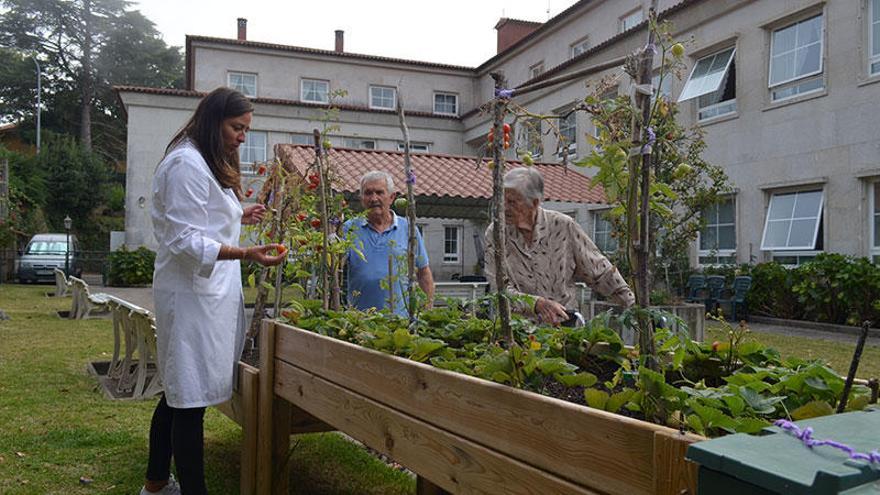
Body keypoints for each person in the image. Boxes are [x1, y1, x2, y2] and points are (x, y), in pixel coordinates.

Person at [143, 87, 286, 495]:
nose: (243, 136)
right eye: (237, 128)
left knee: (179, 393)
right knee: (188, 399)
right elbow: (185, 240)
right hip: (190, 297)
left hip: (205, 296)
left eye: (246, 129)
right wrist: (246, 253)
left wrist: (238, 211)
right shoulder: (186, 164)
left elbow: (201, 215)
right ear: (213, 121)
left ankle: (155, 485)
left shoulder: (203, 159)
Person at [485, 167, 634, 326]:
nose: (504, 207)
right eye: (502, 200)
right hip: (518, 329)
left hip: (564, 325)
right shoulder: (496, 233)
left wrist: (633, 305)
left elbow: (599, 270)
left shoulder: (562, 226)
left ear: (534, 203)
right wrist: (537, 304)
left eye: (512, 202)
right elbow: (499, 289)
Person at [343, 170, 434, 316]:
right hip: (359, 320)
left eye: (379, 192)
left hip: (400, 320)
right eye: (368, 193)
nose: (374, 198)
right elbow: (334, 268)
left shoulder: (409, 229)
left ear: (392, 197)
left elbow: (423, 273)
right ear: (361, 199)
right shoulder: (349, 228)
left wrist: (427, 309)